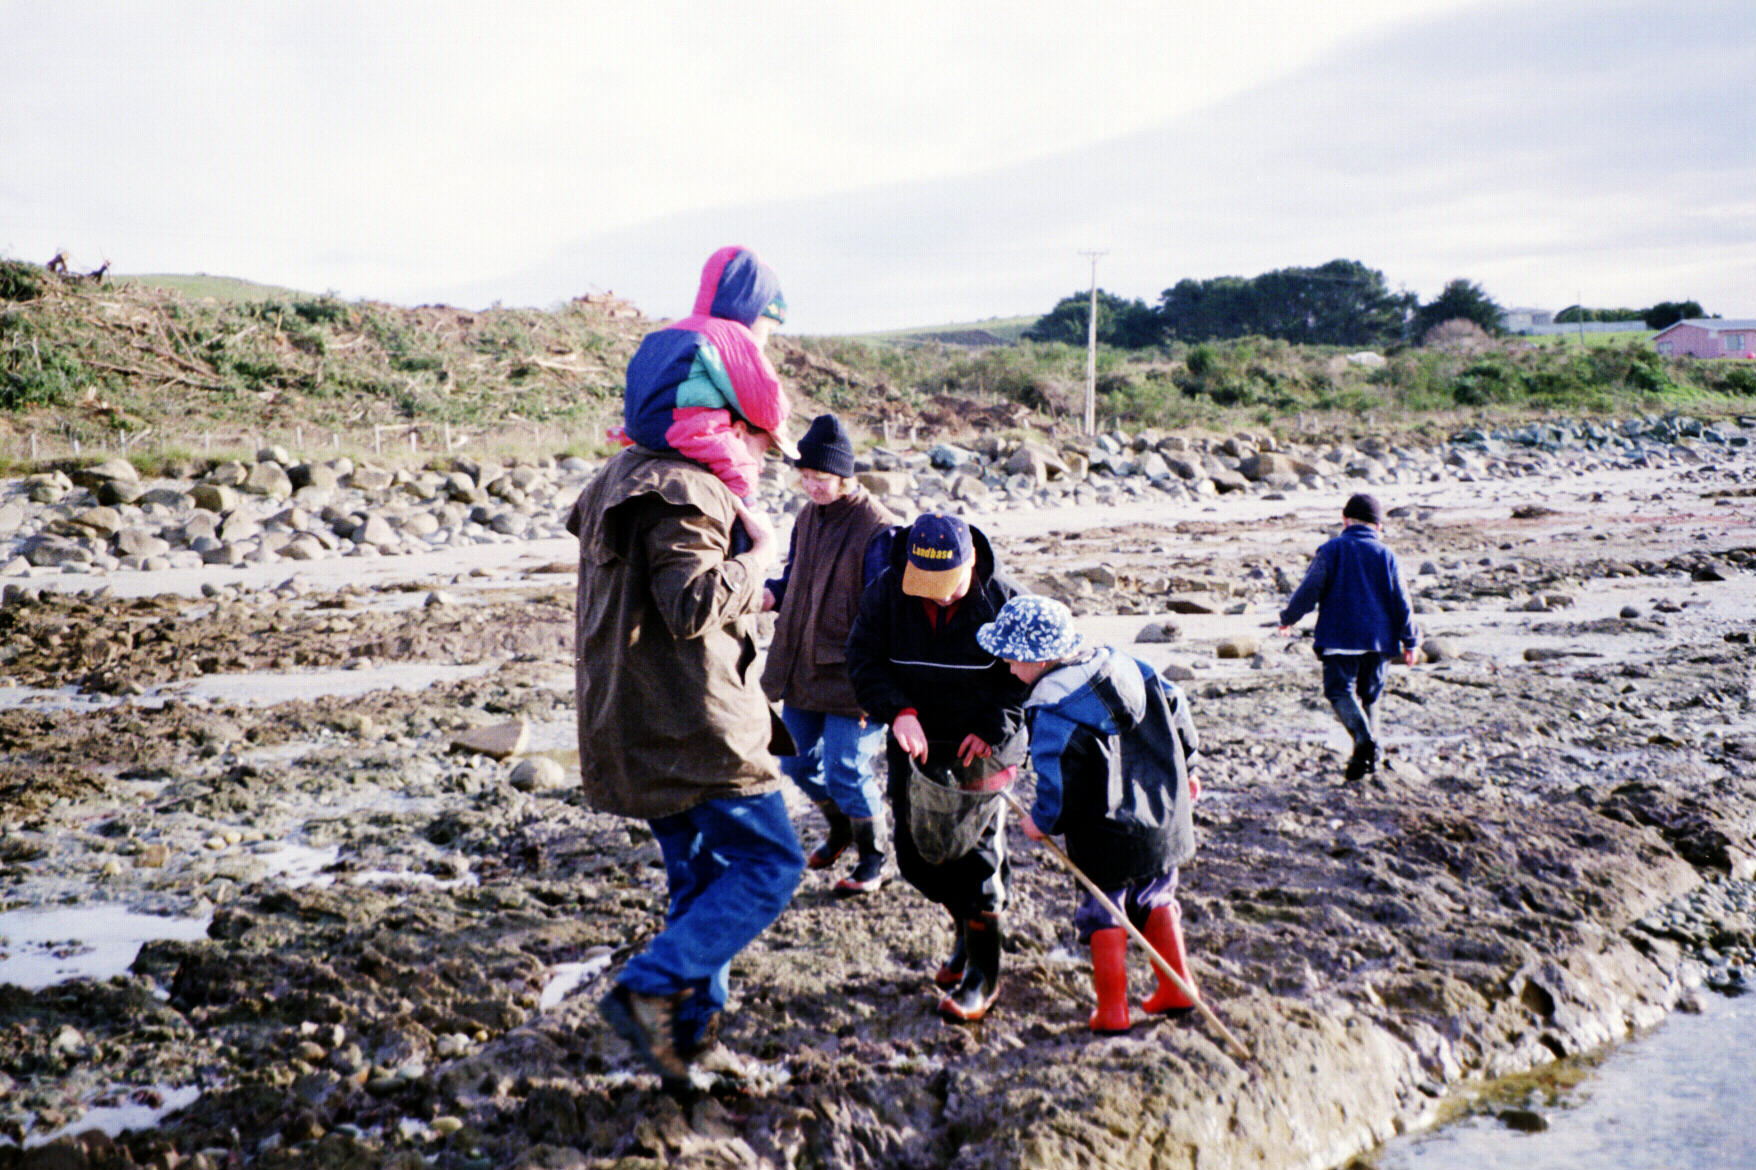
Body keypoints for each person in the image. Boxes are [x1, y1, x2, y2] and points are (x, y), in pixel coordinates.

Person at [567, 371, 805, 1092]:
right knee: (771, 864)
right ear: (729, 424)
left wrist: (747, 593)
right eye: (762, 439)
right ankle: (650, 987)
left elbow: (658, 599)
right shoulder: (689, 488)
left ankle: (685, 1046)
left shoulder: (620, 474)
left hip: (632, 722)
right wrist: (758, 559)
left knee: (700, 879)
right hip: (697, 732)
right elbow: (690, 603)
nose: (764, 456)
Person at [976, 595, 1202, 1034]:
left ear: (1038, 660)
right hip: (1163, 813)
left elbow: (1058, 780)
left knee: (1105, 913)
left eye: (1011, 659)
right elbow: (1177, 707)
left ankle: (1113, 1010)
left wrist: (1042, 821)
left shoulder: (1052, 708)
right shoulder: (1129, 666)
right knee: (1156, 896)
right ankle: (1179, 987)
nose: (1007, 668)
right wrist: (1188, 768)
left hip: (1106, 832)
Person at [846, 512, 1029, 1022]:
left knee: (977, 859)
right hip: (918, 741)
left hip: (984, 745)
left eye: (949, 586)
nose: (941, 596)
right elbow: (863, 659)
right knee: (919, 856)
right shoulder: (888, 592)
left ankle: (983, 972)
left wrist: (994, 724)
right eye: (929, 586)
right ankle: (964, 935)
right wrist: (898, 711)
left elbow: (1028, 676)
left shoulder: (1005, 602)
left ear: (971, 564)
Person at [760, 414, 900, 894]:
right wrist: (769, 595)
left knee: (846, 767)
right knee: (795, 762)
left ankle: (874, 859)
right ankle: (841, 826)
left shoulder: (878, 528)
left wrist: (877, 685)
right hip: (803, 666)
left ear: (846, 477)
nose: (810, 487)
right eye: (805, 478)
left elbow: (888, 613)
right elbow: (795, 573)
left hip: (856, 676)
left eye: (819, 480)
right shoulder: (807, 516)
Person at [613, 245, 792, 500]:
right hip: (687, 429)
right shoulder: (730, 335)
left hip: (641, 434)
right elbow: (766, 405)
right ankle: (743, 533)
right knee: (743, 474)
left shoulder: (666, 333)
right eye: (769, 330)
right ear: (753, 308)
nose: (766, 340)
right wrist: (780, 418)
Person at [1277, 492, 1420, 781]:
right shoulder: (1387, 556)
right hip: (1379, 642)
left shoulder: (1331, 550)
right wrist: (1411, 640)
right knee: (1371, 696)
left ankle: (1367, 744)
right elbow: (1402, 602)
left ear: (1345, 520)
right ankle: (1367, 760)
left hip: (1339, 638)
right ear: (1378, 526)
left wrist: (1288, 617)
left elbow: (1309, 589)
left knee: (1339, 691)